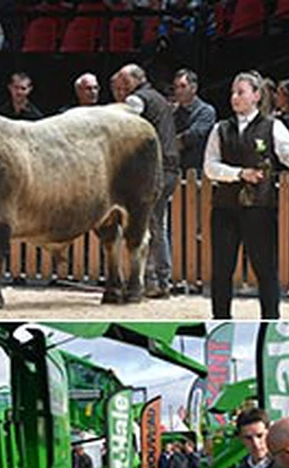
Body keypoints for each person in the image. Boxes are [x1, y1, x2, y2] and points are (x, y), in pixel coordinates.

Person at [203, 70, 289, 319]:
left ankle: (271, 320)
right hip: (224, 209)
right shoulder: (220, 129)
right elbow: (210, 168)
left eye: (241, 92)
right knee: (221, 271)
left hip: (260, 209)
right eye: (233, 92)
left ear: (256, 96)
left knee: (266, 271)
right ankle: (221, 320)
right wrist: (240, 173)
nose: (234, 97)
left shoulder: (272, 127)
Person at [113, 63, 179, 299]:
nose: (119, 87)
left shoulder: (137, 100)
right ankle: (158, 279)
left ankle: (158, 280)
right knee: (157, 224)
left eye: (122, 82)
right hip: (170, 167)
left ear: (133, 81)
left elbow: (122, 126)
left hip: (156, 170)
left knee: (152, 225)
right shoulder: (157, 97)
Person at [173, 68, 217, 173]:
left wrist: (170, 143)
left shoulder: (206, 111)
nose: (178, 91)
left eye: (183, 86)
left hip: (197, 171)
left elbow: (193, 136)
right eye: (175, 87)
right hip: (176, 171)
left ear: (194, 88)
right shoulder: (173, 112)